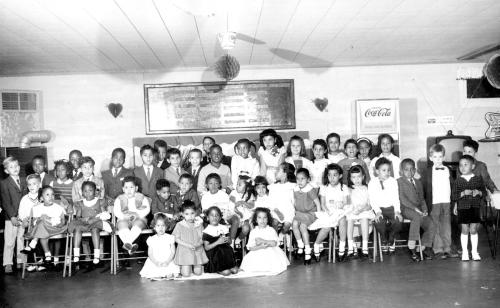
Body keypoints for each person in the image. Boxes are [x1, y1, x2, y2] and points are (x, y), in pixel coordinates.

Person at [423, 144, 457, 259]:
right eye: (435, 157)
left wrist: (454, 201)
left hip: (446, 201)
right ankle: (438, 249)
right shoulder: (428, 171)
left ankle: (447, 248)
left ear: (444, 157)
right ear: (430, 158)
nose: (438, 159)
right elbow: (426, 189)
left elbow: (452, 186)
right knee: (436, 225)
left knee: (446, 225)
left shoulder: (448, 169)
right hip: (434, 202)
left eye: (440, 156)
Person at [309, 164, 349, 262]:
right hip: (327, 211)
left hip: (340, 211)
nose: (332, 178)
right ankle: (316, 245)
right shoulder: (324, 187)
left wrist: (341, 205)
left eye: (335, 175)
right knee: (326, 227)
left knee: (342, 219)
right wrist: (328, 212)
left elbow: (346, 202)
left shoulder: (344, 187)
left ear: (340, 176)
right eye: (329, 175)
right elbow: (322, 203)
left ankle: (342, 247)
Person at [397, 159, 435, 261]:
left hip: (418, 210)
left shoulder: (418, 182)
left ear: (415, 170)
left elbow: (422, 199)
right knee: (416, 217)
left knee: (431, 224)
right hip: (406, 209)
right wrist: (415, 209)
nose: (410, 172)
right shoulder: (399, 182)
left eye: (412, 169)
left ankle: (422, 248)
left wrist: (425, 209)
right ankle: (412, 246)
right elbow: (402, 199)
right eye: (406, 170)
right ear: (401, 171)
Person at [21, 186, 67, 265]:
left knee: (42, 222)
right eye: (47, 195)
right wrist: (39, 219)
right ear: (41, 198)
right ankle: (47, 254)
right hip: (43, 231)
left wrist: (49, 220)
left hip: (55, 228)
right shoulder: (37, 208)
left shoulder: (58, 208)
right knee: (42, 230)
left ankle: (33, 244)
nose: (50, 197)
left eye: (52, 195)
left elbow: (63, 221)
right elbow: (33, 222)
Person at [453, 155, 487, 261]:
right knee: (464, 229)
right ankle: (465, 253)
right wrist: (462, 193)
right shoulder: (458, 181)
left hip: (475, 207)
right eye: (460, 165)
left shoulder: (478, 179)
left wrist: (479, 192)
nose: (462, 167)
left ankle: (474, 252)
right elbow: (454, 196)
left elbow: (484, 193)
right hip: (462, 208)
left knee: (473, 230)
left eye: (465, 165)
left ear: (472, 166)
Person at [68, 181, 110, 267]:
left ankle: (97, 255)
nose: (88, 193)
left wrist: (97, 217)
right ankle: (76, 254)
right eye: (85, 191)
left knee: (95, 230)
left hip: (96, 223)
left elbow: (104, 214)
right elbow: (78, 216)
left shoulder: (100, 201)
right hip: (85, 223)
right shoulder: (80, 203)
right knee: (77, 228)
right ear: (82, 193)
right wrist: (84, 219)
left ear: (95, 191)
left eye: (90, 190)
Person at [239, 207, 289, 275]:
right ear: (256, 220)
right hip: (257, 251)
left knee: (273, 262)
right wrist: (260, 247)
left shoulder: (271, 230)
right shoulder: (253, 232)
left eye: (265, 217)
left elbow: (274, 243)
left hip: (271, 252)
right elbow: (250, 247)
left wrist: (263, 241)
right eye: (259, 218)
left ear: (268, 219)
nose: (262, 220)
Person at [368, 157, 402, 254]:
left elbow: (396, 198)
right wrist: (378, 212)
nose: (387, 172)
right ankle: (384, 239)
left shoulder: (393, 181)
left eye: (388, 170)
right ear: (377, 171)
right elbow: (372, 200)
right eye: (384, 170)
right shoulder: (372, 183)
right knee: (379, 222)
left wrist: (397, 211)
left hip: (391, 208)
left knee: (398, 220)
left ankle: (391, 238)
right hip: (379, 209)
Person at [1, 156, 27, 274]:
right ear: (6, 171)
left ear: (19, 167)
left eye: (16, 166)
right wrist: (12, 216)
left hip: (23, 217)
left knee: (21, 239)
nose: (14, 168)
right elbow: (5, 201)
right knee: (9, 241)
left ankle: (21, 261)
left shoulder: (24, 180)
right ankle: (7, 263)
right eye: (11, 167)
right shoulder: (4, 183)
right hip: (10, 218)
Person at [113, 176, 151, 254]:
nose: (129, 190)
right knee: (121, 224)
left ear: (136, 188)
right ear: (123, 189)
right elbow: (116, 211)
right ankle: (130, 247)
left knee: (138, 223)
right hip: (124, 219)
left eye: (131, 187)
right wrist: (123, 216)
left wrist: (138, 215)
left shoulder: (141, 197)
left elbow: (147, 209)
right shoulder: (119, 199)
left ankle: (127, 243)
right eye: (126, 187)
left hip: (138, 219)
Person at [201, 173, 240, 247]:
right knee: (206, 220)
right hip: (212, 217)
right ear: (206, 185)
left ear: (219, 185)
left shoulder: (223, 194)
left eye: (216, 183)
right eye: (211, 183)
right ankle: (210, 243)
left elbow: (228, 207)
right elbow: (205, 210)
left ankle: (231, 242)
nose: (213, 186)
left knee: (235, 219)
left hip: (224, 214)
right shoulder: (205, 196)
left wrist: (224, 212)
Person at [292, 168, 321, 265]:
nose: (299, 181)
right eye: (297, 179)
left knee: (302, 226)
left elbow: (317, 202)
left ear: (308, 179)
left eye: (302, 179)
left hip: (310, 213)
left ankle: (307, 250)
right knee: (294, 224)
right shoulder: (296, 188)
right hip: (300, 212)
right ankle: (300, 244)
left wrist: (319, 215)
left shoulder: (310, 189)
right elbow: (296, 202)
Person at [173, 200, 208, 277]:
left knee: (198, 273)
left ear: (195, 212)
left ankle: (195, 265)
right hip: (185, 250)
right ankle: (184, 266)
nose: (190, 216)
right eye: (187, 214)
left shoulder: (198, 224)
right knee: (186, 274)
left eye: (192, 213)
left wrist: (198, 244)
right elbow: (176, 238)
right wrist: (188, 245)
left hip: (197, 249)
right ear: (182, 214)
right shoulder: (180, 225)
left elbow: (203, 238)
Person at [346, 165, 374, 259]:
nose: (356, 179)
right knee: (349, 219)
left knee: (364, 218)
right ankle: (350, 245)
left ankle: (365, 247)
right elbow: (347, 202)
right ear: (350, 178)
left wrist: (362, 209)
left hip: (364, 210)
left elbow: (370, 204)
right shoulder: (349, 189)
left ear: (363, 177)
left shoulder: (366, 188)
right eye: (353, 177)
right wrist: (353, 209)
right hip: (353, 210)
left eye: (359, 177)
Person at [140, 213, 179, 280]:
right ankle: (158, 274)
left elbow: (173, 252)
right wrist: (156, 262)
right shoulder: (151, 239)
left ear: (166, 226)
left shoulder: (170, 237)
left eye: (163, 225)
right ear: (154, 227)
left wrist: (168, 261)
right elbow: (150, 253)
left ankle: (167, 274)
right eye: (158, 225)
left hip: (167, 260)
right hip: (155, 260)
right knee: (154, 271)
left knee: (172, 271)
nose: (161, 228)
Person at [203, 206, 238, 275]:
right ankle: (218, 269)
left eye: (217, 215)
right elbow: (206, 248)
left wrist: (228, 240)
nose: (214, 217)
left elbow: (230, 241)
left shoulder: (224, 228)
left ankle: (229, 266)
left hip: (225, 254)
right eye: (212, 215)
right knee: (227, 273)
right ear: (207, 218)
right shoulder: (207, 231)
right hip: (215, 255)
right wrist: (218, 242)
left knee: (235, 271)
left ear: (220, 218)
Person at [268, 163, 296, 248]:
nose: (275, 172)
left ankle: (282, 234)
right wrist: (276, 210)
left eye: (278, 170)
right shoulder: (273, 187)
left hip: (288, 210)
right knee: (274, 222)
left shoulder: (292, 186)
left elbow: (294, 201)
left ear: (285, 173)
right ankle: (275, 240)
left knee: (287, 224)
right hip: (276, 209)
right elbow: (271, 201)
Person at [229, 175, 254, 243]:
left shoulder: (249, 195)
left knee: (246, 229)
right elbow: (232, 204)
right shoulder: (234, 193)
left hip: (245, 216)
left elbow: (251, 206)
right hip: (235, 214)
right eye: (237, 184)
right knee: (235, 221)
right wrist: (238, 211)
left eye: (239, 185)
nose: (237, 186)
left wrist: (243, 202)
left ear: (247, 188)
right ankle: (232, 241)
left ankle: (240, 238)